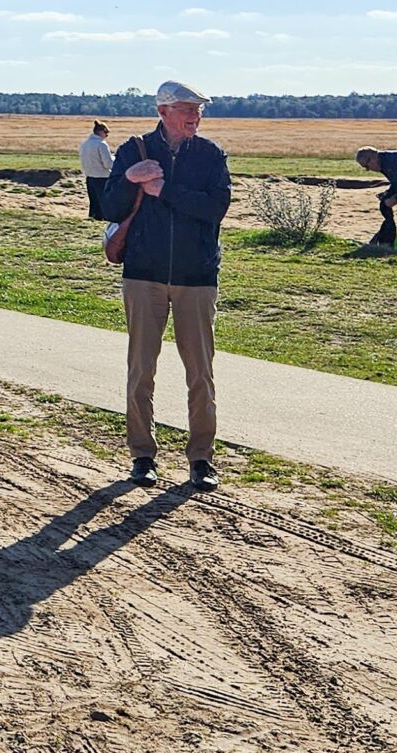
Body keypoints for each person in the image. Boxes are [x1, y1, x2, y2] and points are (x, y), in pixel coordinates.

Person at [98, 81, 233, 490]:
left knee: (201, 373)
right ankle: (142, 456)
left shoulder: (210, 154)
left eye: (199, 109)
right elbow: (108, 206)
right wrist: (130, 178)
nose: (195, 116)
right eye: (187, 109)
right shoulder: (133, 150)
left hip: (197, 277)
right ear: (163, 111)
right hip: (143, 274)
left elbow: (216, 208)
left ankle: (201, 459)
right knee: (141, 369)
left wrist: (165, 191)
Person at [78, 120, 113, 220]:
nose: (106, 135)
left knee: (94, 202)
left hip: (90, 177)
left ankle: (93, 217)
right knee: (104, 201)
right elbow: (108, 164)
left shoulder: (85, 144)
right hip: (102, 177)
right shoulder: (101, 144)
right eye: (106, 132)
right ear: (100, 132)